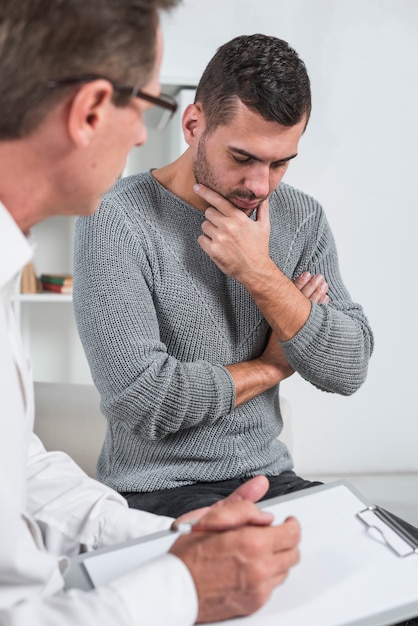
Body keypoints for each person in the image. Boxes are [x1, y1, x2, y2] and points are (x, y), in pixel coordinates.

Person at [0, 5, 303, 625]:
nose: (143, 135)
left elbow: (20, 471)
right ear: (89, 112)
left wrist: (162, 534)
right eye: (143, 106)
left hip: (235, 489)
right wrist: (184, 586)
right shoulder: (115, 218)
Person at [73, 33, 374, 519]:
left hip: (271, 477)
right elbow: (145, 402)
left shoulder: (301, 218)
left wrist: (260, 275)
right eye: (242, 158)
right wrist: (274, 365)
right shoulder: (115, 219)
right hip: (155, 489)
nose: (260, 185)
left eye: (280, 163)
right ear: (194, 125)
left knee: (394, 555)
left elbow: (349, 366)